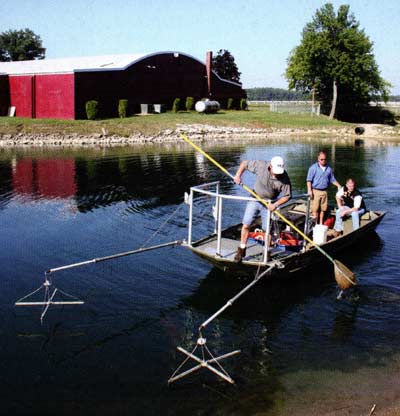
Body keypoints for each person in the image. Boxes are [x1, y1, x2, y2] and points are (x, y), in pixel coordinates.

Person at [233, 156, 292, 262]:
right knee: (246, 224)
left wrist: (275, 204)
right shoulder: (261, 166)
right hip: (255, 198)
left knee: (268, 230)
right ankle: (241, 250)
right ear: (270, 166)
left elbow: (287, 196)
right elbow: (244, 163)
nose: (278, 174)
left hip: (270, 203)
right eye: (276, 171)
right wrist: (238, 175)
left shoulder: (284, 178)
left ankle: (267, 252)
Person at [306, 150, 341, 224]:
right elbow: (309, 180)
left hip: (324, 191)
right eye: (321, 159)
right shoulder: (313, 168)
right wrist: (309, 190)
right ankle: (315, 225)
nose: (323, 161)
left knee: (323, 209)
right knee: (315, 209)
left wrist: (338, 185)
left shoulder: (329, 169)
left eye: (325, 159)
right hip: (315, 191)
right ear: (318, 158)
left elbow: (332, 179)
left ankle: (321, 223)